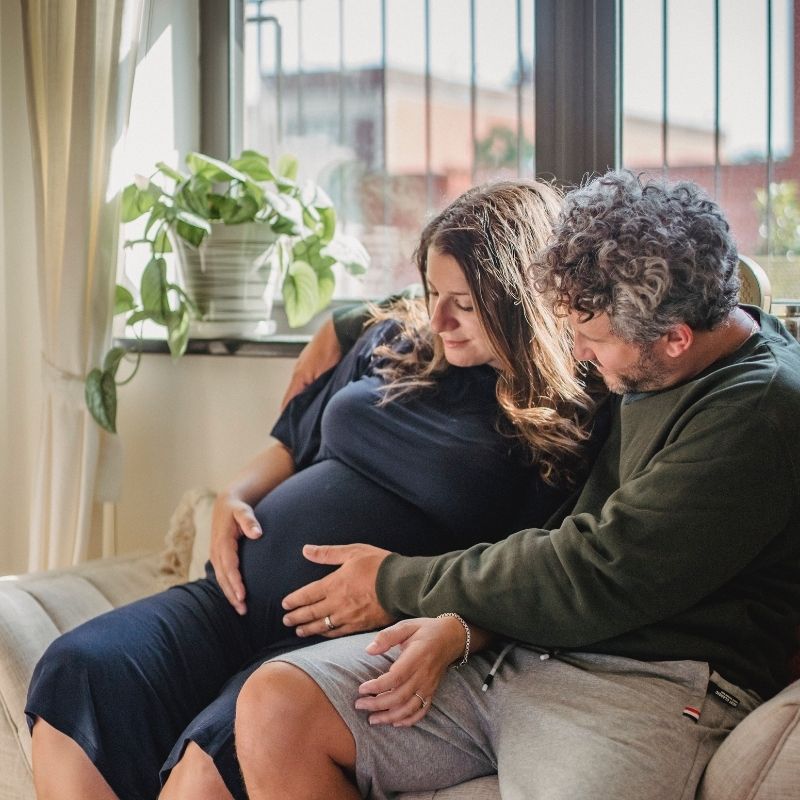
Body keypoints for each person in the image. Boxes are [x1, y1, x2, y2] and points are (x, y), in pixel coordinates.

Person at [26, 180, 603, 800]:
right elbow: (289, 443)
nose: (438, 318)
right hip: (228, 603)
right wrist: (233, 494)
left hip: (342, 640)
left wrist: (459, 623)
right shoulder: (395, 341)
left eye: (462, 302)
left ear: (518, 300)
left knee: (207, 768)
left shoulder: (563, 415)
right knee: (78, 671)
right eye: (433, 293)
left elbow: (542, 566)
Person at [234, 169, 800, 800]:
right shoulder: (657, 346)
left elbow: (598, 568)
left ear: (674, 339)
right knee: (279, 703)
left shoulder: (757, 411)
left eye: (590, 340)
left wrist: (396, 581)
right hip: (523, 650)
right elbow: (478, 288)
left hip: (649, 682)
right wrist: (346, 322)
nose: (578, 356)